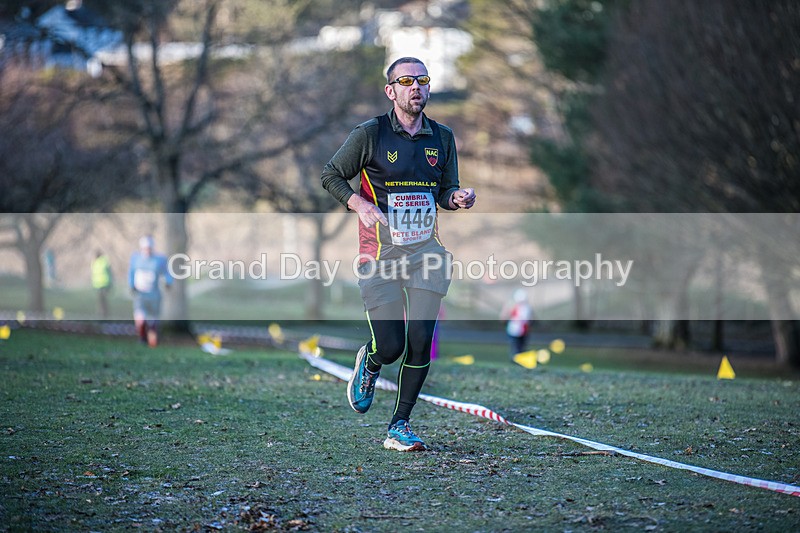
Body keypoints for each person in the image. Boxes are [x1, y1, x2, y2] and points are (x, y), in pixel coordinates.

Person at [321, 57, 476, 451]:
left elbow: (444, 190)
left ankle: (399, 425)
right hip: (381, 254)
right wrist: (359, 204)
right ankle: (371, 362)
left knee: (421, 340)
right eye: (406, 81)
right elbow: (331, 175)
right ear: (391, 91)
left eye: (422, 80)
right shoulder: (370, 134)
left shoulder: (442, 137)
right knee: (391, 346)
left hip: (427, 252)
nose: (416, 87)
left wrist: (455, 198)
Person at [128, 235, 172, 347]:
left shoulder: (159, 260)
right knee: (140, 318)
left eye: (149, 248)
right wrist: (132, 285)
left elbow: (167, 273)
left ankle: (153, 342)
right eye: (145, 248)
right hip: (140, 295)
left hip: (154, 296)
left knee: (153, 321)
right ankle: (142, 339)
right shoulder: (136, 259)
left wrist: (168, 282)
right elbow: (131, 273)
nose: (147, 251)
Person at [502, 288, 532, 358]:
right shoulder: (513, 306)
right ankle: (515, 358)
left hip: (523, 331)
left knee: (522, 347)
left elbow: (528, 319)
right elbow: (504, 316)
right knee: (515, 347)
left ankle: (520, 358)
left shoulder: (527, 307)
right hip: (514, 331)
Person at [91, 249, 113, 319]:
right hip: (97, 284)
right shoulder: (94, 262)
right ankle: (101, 312)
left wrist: (110, 282)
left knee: (103, 299)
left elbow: (109, 271)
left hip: (104, 283)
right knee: (100, 299)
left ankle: (104, 312)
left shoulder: (104, 261)